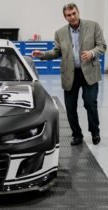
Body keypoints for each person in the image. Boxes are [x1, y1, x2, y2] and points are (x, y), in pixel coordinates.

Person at [32, 3, 106, 146]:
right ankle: (77, 135)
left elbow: (102, 45)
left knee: (90, 104)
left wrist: (92, 53)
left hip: (89, 72)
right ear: (65, 17)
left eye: (74, 13)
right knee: (70, 107)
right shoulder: (60, 33)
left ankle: (95, 132)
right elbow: (56, 52)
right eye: (68, 15)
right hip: (69, 74)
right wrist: (42, 54)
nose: (72, 17)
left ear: (78, 12)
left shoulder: (93, 26)